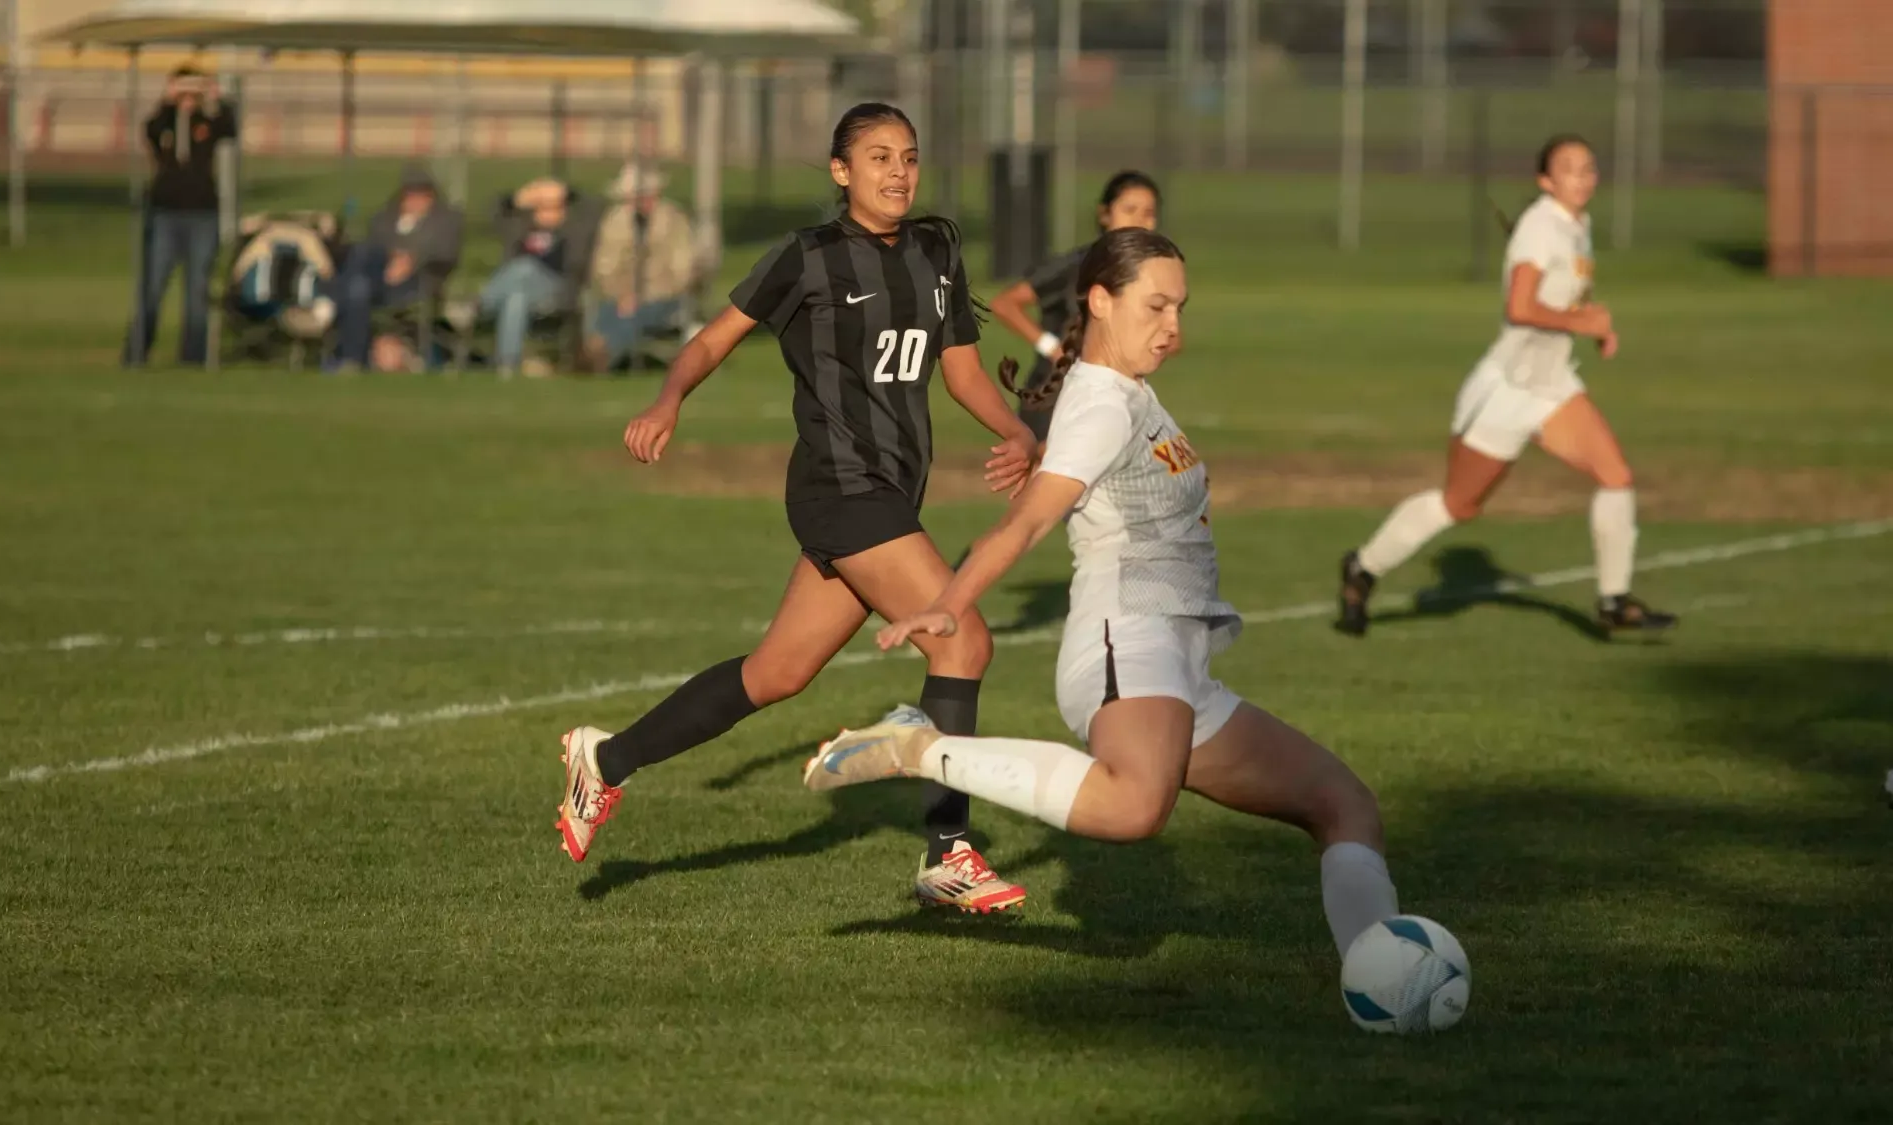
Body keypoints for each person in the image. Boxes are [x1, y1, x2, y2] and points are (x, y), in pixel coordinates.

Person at [802, 228, 1406, 962]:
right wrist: (950, 601)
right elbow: (1028, 521)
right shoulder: (1099, 406)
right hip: (1129, 639)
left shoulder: (1128, 394)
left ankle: (1382, 973)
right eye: (1155, 306)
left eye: (1180, 308)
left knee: (1346, 807)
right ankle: (922, 747)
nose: (1173, 326)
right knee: (1134, 805)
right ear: (1099, 300)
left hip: (1181, 664)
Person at [559, 103, 1041, 913]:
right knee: (962, 639)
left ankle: (605, 761)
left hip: (891, 489)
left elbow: (960, 370)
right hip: (838, 487)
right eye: (878, 157)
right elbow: (713, 339)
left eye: (909, 157)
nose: (898, 172)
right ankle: (948, 852)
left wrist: (1019, 431)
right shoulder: (807, 258)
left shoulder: (935, 251)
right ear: (840, 172)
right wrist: (669, 398)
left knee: (775, 674)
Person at [1335, 135, 1677, 638]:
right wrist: (1583, 324)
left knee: (1616, 476)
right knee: (1460, 505)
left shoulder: (1575, 225)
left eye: (1589, 168)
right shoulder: (1542, 227)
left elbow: (1561, 300)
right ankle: (1362, 568)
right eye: (1569, 169)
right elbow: (1520, 307)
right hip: (1508, 389)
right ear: (1545, 181)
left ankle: (1613, 600)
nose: (1583, 178)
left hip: (1551, 384)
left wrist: (1593, 324)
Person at [988, 171, 1163, 440]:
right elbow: (1005, 303)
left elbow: (1172, 340)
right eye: (1129, 209)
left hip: (1112, 399)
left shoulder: (1149, 273)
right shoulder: (1077, 265)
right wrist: (1053, 349)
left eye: (1149, 212)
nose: (1140, 220)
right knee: (1049, 478)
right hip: (1056, 396)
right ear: (1105, 214)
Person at [124, 65, 237, 367]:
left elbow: (230, 128)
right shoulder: (167, 122)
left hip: (202, 215)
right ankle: (137, 353)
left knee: (197, 291)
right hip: (166, 215)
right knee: (152, 286)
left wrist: (215, 98)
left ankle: (193, 358)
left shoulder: (208, 121)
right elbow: (149, 131)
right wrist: (168, 101)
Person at [328, 164, 464, 372]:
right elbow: (374, 243)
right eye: (410, 193)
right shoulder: (386, 218)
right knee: (359, 273)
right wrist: (393, 257)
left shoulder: (446, 221)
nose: (415, 199)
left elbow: (447, 253)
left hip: (419, 280)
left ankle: (350, 354)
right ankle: (351, 355)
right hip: (378, 274)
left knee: (356, 287)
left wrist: (412, 260)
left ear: (431, 195)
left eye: (422, 194)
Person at [585, 164, 697, 372]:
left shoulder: (675, 221)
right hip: (619, 297)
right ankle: (597, 353)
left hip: (663, 297)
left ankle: (604, 358)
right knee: (608, 315)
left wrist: (643, 295)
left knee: (631, 317)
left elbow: (684, 270)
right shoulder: (615, 221)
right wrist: (623, 294)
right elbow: (604, 266)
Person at [482, 178, 573, 376]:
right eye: (542, 207)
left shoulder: (572, 230)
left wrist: (563, 191)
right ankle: (507, 364)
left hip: (553, 288)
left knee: (525, 266)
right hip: (520, 289)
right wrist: (517, 199)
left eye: (554, 207)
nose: (548, 213)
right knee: (516, 298)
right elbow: (493, 211)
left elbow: (592, 206)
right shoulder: (521, 227)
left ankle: (484, 301)